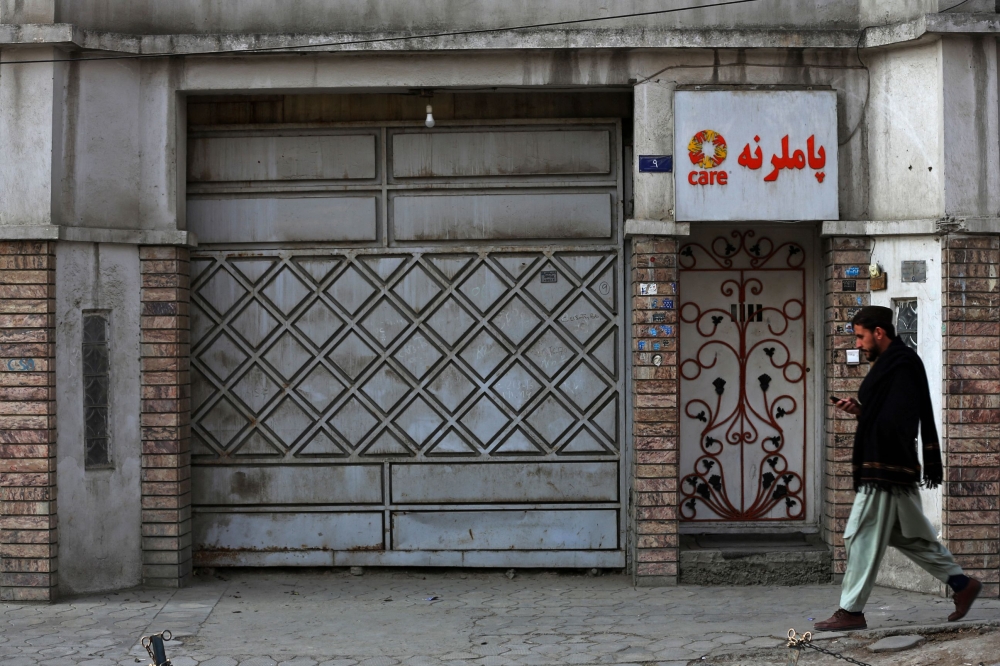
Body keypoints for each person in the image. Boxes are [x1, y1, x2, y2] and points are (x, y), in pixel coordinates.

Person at [814, 306, 981, 631]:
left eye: (860, 337)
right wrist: (860, 411)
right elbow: (886, 413)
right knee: (908, 536)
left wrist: (868, 416)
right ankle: (962, 584)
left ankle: (851, 611)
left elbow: (899, 419)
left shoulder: (902, 364)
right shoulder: (891, 363)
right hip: (890, 466)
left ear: (879, 333)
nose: (858, 344)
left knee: (858, 536)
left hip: (885, 469)